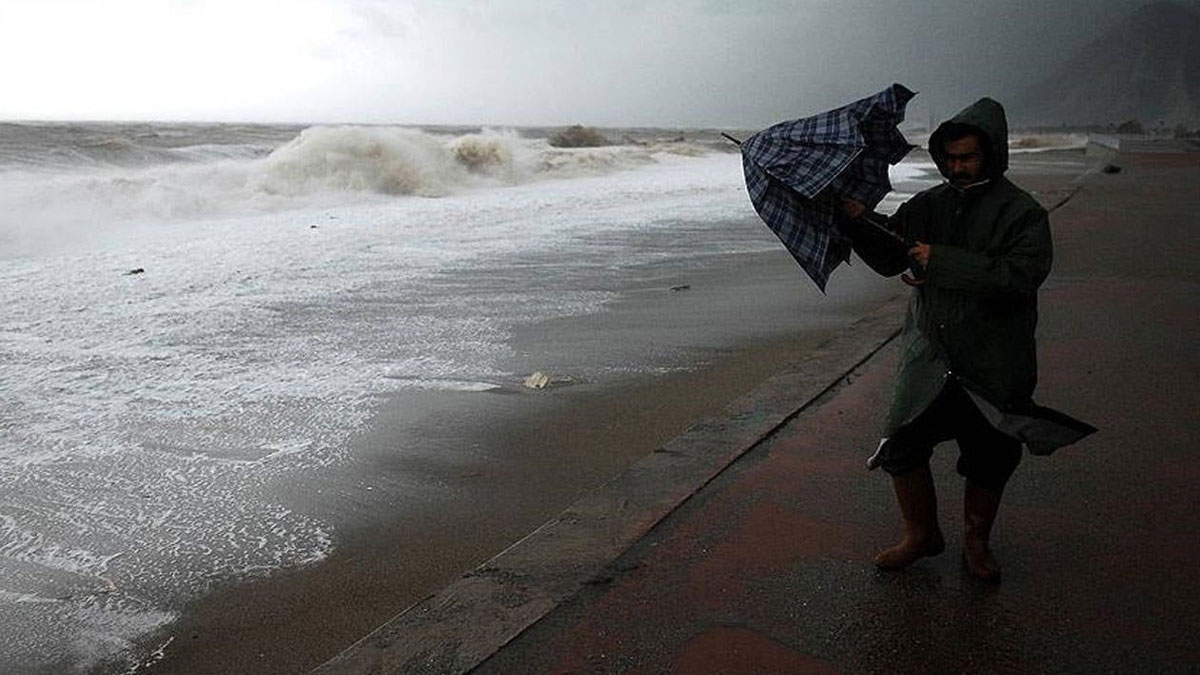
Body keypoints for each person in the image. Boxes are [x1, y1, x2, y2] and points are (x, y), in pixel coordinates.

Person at [840, 97, 1058, 583]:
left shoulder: (1023, 214)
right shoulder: (929, 204)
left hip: (993, 357)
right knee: (901, 444)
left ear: (992, 154)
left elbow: (1020, 276)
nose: (957, 167)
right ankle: (921, 535)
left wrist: (941, 262)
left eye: (968, 158)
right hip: (930, 356)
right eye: (951, 158)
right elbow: (891, 254)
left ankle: (977, 541)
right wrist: (857, 220)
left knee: (990, 454)